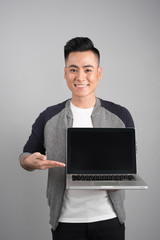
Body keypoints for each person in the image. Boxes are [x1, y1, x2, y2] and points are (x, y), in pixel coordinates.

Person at [19, 37, 134, 240]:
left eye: (88, 69)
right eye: (73, 70)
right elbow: (26, 155)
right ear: (65, 73)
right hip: (65, 222)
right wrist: (29, 161)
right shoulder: (48, 116)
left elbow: (129, 161)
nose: (80, 77)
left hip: (110, 220)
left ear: (99, 73)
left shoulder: (120, 115)